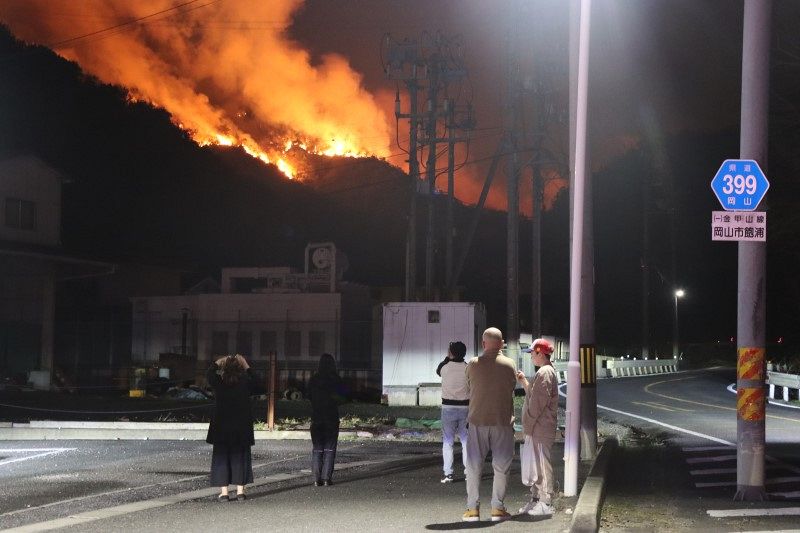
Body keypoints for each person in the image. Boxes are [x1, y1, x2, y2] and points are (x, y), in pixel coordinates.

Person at [462, 327, 518, 522]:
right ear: (502, 344)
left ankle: (472, 510)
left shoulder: (473, 364)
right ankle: (497, 509)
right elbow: (512, 387)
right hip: (502, 422)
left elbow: (469, 385)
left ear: (483, 343)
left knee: (473, 466)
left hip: (478, 421)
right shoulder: (510, 364)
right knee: (501, 466)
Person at [516, 338, 558, 516]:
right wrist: (525, 382)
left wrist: (528, 424)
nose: (531, 356)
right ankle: (536, 500)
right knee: (535, 466)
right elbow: (535, 396)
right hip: (537, 427)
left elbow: (537, 403)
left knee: (541, 465)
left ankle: (545, 502)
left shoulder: (545, 372)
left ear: (540, 352)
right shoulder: (543, 372)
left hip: (539, 427)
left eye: (533, 353)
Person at [206, 354, 255, 501]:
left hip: (221, 426)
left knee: (222, 457)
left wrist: (217, 362)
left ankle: (225, 493)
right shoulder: (245, 383)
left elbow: (209, 374)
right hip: (241, 426)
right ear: (240, 369)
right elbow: (259, 382)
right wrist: (246, 365)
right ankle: (240, 491)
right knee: (240, 456)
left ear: (224, 369)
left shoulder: (219, 383)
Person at [307, 353, 345, 486]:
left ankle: (316, 479)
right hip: (331, 417)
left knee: (317, 448)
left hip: (316, 417)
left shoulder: (314, 379)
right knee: (330, 448)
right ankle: (326, 478)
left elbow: (309, 396)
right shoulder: (336, 379)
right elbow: (343, 398)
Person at [436, 341, 470, 483]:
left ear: (451, 352)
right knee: (466, 442)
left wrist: (447, 358)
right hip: (465, 408)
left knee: (448, 442)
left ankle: (448, 474)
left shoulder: (444, 367)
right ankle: (469, 473)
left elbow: (438, 371)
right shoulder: (468, 368)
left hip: (448, 408)